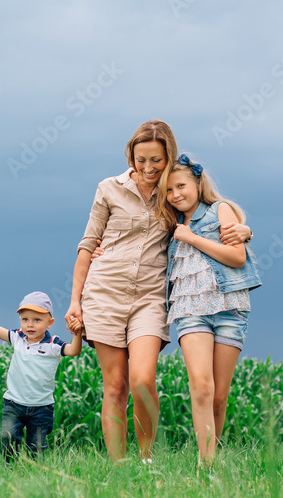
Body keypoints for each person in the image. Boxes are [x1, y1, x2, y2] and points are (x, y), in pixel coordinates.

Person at [65, 120, 252, 463]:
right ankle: (119, 466)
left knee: (141, 379)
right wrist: (75, 302)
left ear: (169, 158)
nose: (148, 168)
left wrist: (244, 229)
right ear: (130, 157)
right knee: (115, 385)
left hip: (151, 297)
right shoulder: (108, 188)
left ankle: (146, 459)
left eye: (156, 160)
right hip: (104, 292)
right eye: (141, 160)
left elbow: (210, 213)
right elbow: (87, 244)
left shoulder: (172, 195)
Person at [161, 153, 262, 465]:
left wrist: (192, 238)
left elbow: (237, 258)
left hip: (230, 308)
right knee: (202, 387)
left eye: (181, 185)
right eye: (168, 190)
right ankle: (207, 465)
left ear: (197, 182)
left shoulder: (221, 210)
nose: (176, 194)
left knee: (219, 394)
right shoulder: (169, 223)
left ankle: (213, 458)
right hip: (190, 309)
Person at [0, 291, 83, 461]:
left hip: (42, 407)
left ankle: (34, 475)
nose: (30, 325)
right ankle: (10, 467)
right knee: (6, 437)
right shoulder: (18, 338)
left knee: (37, 448)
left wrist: (77, 333)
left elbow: (74, 350)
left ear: (50, 323)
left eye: (37, 320)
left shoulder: (53, 345)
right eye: (25, 319)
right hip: (14, 403)